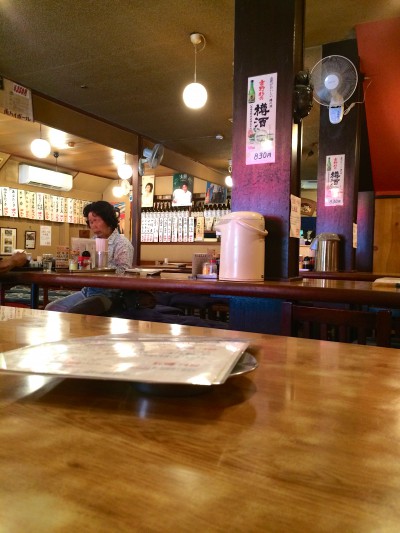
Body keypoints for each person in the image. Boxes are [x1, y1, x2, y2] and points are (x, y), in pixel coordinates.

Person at [45, 201, 134, 315]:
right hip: (87, 291)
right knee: (52, 308)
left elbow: (125, 273)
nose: (93, 226)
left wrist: (101, 268)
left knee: (75, 312)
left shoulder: (122, 243)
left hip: (110, 295)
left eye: (96, 220)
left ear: (108, 219)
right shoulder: (92, 241)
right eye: (91, 222)